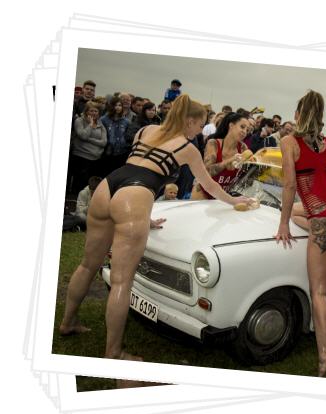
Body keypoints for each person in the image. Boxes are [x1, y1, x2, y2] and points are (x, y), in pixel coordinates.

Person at [59, 95, 251, 366]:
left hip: (108, 186)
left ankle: (67, 322)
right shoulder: (187, 147)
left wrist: (141, 217)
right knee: (122, 281)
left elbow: (138, 166)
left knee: (87, 265)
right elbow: (209, 184)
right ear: (190, 121)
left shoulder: (146, 130)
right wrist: (233, 200)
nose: (200, 131)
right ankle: (113, 353)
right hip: (134, 196)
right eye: (200, 125)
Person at [275, 90, 326, 377]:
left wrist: (283, 223)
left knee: (318, 292)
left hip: (324, 219)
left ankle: (325, 355)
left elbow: (289, 186)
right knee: (303, 213)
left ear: (297, 114)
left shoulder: (288, 141)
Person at [191, 112, 253, 199]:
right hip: (203, 193)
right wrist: (229, 161)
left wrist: (251, 168)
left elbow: (246, 181)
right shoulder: (214, 143)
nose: (244, 132)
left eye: (247, 130)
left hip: (222, 197)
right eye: (242, 127)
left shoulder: (243, 148)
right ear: (231, 125)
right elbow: (207, 172)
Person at [69, 101, 107, 195]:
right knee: (79, 183)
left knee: (89, 184)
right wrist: (90, 124)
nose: (94, 113)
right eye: (91, 111)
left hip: (95, 158)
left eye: (96, 111)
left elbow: (103, 142)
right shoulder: (79, 121)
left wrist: (89, 139)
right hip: (81, 157)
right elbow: (83, 136)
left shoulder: (100, 123)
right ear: (86, 112)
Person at [100, 96, 131, 175]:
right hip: (107, 152)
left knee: (117, 174)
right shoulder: (104, 119)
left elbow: (127, 136)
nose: (118, 107)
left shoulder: (126, 121)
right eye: (115, 105)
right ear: (111, 106)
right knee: (106, 173)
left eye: (120, 105)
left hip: (121, 152)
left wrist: (125, 145)